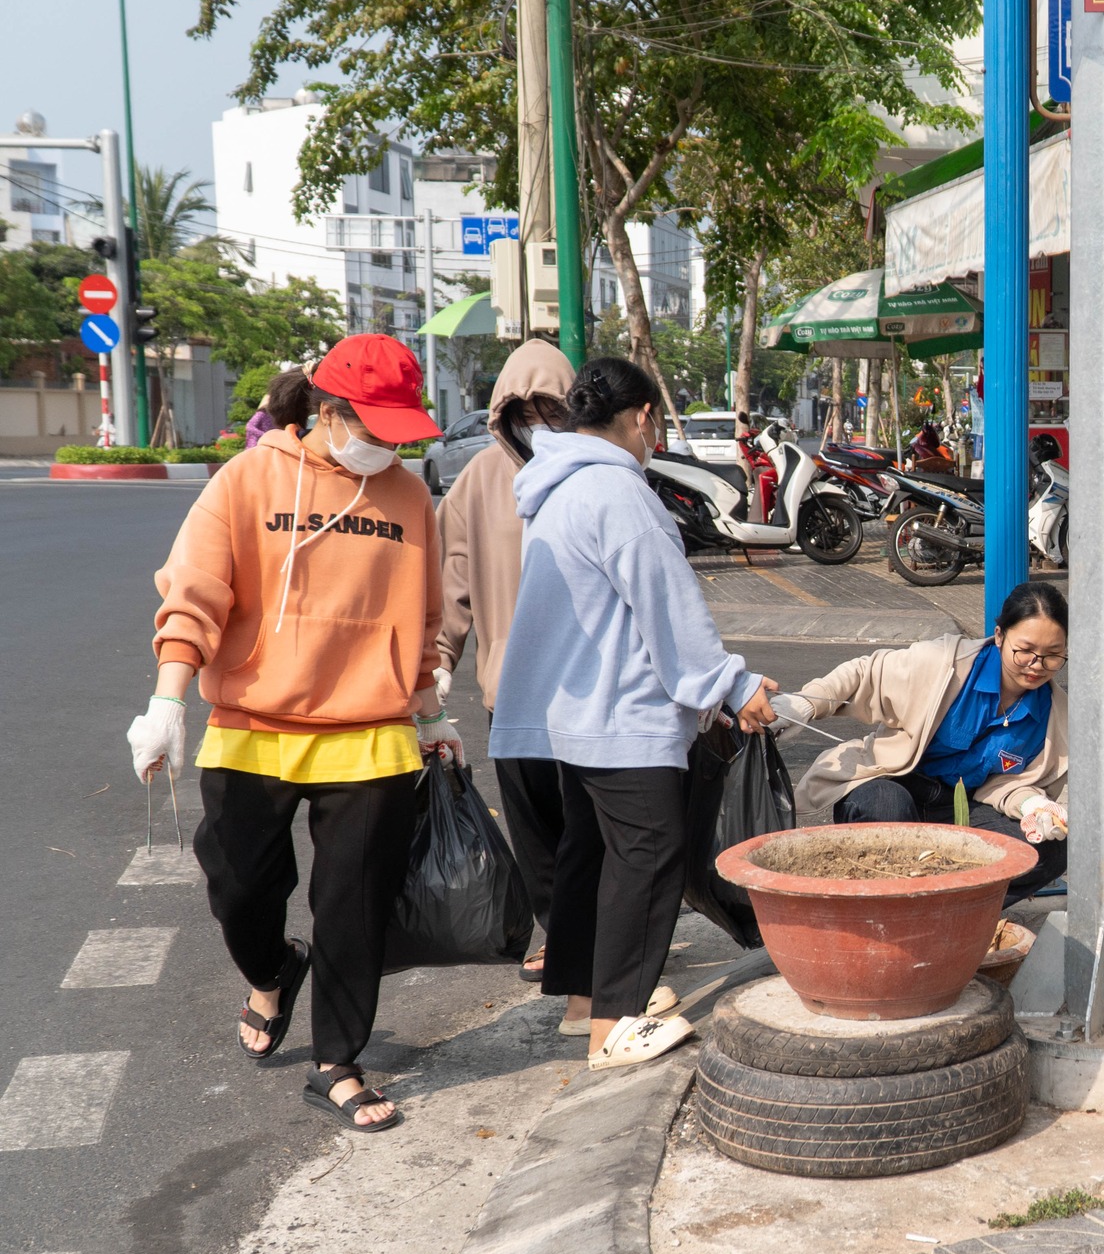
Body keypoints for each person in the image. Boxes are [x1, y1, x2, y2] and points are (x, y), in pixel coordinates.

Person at [127, 338, 456, 1135]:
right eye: (376, 428)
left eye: (402, 434)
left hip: (371, 730)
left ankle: (337, 1059)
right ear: (331, 411)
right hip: (252, 723)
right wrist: (168, 701)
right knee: (239, 885)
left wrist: (431, 712)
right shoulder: (247, 480)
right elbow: (195, 595)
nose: (390, 447)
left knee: (354, 903)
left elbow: (424, 617)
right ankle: (273, 969)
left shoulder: (410, 498)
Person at [490, 357, 777, 1071]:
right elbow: (668, 607)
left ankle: (589, 1002)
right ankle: (613, 1024)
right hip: (623, 710)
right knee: (650, 854)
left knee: (593, 855)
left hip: (573, 708)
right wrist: (730, 686)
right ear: (643, 416)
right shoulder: (620, 491)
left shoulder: (557, 486)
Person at [774, 582, 1071, 905]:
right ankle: (898, 913)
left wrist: (1033, 806)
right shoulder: (945, 664)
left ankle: (952, 916)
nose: (1036, 665)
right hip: (892, 782)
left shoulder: (1053, 715)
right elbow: (865, 674)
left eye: (1053, 656)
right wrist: (805, 704)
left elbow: (1009, 785)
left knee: (1046, 852)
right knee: (887, 811)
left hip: (964, 806)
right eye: (1024, 650)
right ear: (999, 636)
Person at [435, 339, 576, 986]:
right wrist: (440, 662)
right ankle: (560, 934)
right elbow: (453, 579)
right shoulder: (479, 481)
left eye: (553, 406)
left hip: (586, 690)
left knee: (591, 826)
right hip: (511, 694)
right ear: (504, 413)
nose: (538, 419)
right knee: (536, 828)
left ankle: (593, 936)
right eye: (526, 408)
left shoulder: (591, 472)